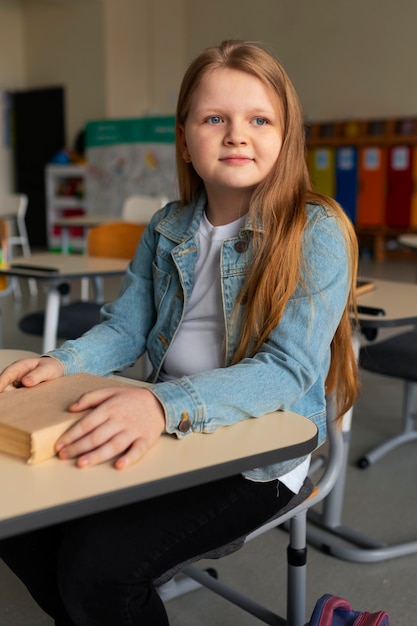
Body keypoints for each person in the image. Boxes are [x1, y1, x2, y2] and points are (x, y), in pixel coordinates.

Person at [0, 39, 359, 625]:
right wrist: (65, 362)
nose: (236, 134)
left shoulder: (314, 231)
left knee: (98, 571)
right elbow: (127, 327)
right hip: (166, 425)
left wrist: (161, 406)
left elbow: (286, 371)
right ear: (186, 138)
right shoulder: (167, 225)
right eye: (214, 118)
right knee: (18, 518)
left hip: (259, 451)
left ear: (287, 136)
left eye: (259, 119)